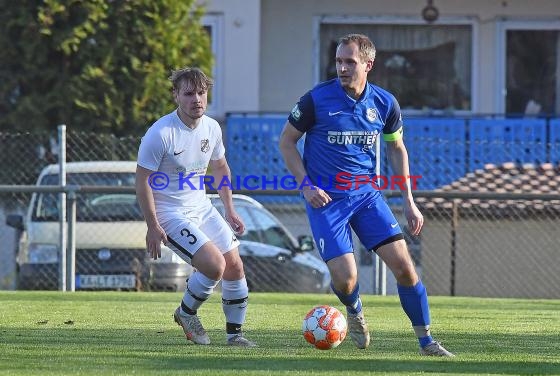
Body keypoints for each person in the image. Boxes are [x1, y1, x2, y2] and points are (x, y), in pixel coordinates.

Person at [279, 34, 454, 356]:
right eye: (338, 61)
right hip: (326, 201)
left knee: (405, 268)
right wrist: (306, 185)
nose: (342, 68)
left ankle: (427, 341)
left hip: (366, 197)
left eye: (350, 62)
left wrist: (410, 203)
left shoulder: (385, 103)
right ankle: (355, 309)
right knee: (346, 278)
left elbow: (396, 149)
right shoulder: (316, 100)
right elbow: (287, 142)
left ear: (368, 65)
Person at [136, 67, 256, 347]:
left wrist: (230, 209)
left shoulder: (212, 128)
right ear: (176, 95)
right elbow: (142, 182)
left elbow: (220, 167)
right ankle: (186, 313)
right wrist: (153, 225)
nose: (197, 99)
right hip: (169, 213)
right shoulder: (161, 133)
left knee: (235, 266)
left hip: (201, 207)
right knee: (214, 265)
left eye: (201, 92)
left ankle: (234, 335)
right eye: (189, 93)